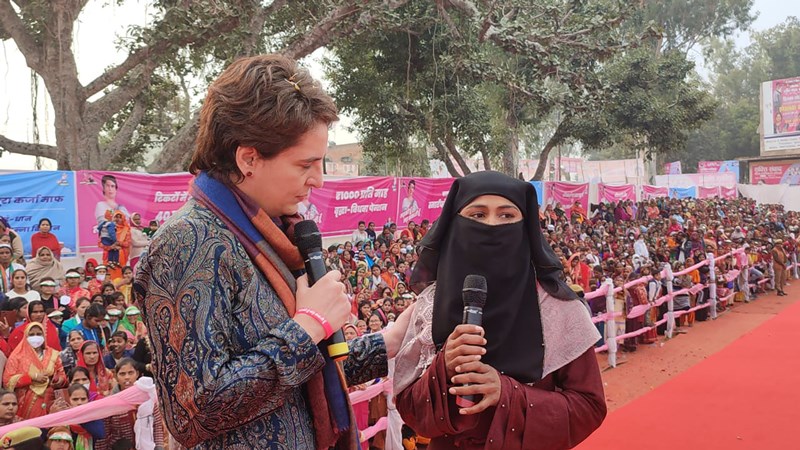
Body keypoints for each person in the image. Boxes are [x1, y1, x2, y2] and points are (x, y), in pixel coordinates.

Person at [134, 54, 412, 449]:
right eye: (305, 164)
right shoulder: (189, 242)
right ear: (248, 158)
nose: (318, 180)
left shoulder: (275, 236)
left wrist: (390, 340)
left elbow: (305, 372)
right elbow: (192, 413)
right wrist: (308, 326)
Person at [394, 171, 606, 449]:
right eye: (478, 215)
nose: (492, 225)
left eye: (507, 215)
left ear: (525, 226)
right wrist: (443, 367)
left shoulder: (556, 307)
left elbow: (589, 407)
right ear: (455, 223)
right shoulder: (430, 307)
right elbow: (410, 411)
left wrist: (509, 394)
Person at [3, 323, 68, 419]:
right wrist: (32, 377)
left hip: (49, 400)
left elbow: (62, 376)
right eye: (31, 334)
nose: (35, 337)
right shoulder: (17, 356)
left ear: (44, 336)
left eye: (39, 334)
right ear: (25, 336)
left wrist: (58, 380)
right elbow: (7, 382)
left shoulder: (53, 354)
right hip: (25, 402)